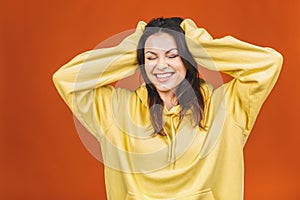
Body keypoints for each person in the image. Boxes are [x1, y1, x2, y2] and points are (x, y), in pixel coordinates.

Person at [53, 17, 283, 200]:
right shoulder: (117, 110)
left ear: (188, 59)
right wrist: (134, 47)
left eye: (173, 55)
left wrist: (198, 44)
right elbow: (67, 78)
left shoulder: (226, 105)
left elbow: (267, 63)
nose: (161, 65)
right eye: (151, 57)